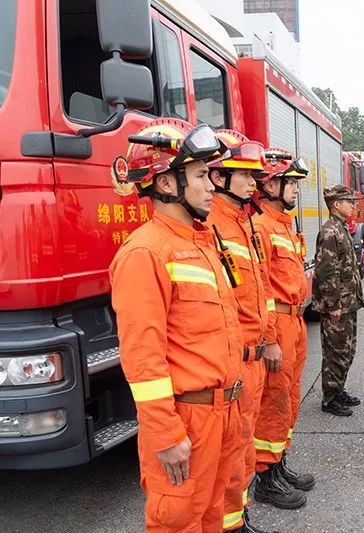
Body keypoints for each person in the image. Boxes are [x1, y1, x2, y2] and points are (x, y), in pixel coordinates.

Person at [109, 118, 246, 531]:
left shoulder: (201, 245)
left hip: (222, 414)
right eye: (202, 175)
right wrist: (167, 435)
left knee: (212, 519)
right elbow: (142, 357)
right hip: (187, 422)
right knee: (179, 522)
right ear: (166, 183)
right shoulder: (145, 253)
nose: (211, 186)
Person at [205, 130, 278, 533]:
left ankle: (240, 515)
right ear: (218, 178)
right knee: (231, 454)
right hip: (235, 360)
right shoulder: (214, 228)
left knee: (244, 447)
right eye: (244, 175)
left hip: (253, 353)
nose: (254, 183)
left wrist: (268, 338)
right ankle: (232, 523)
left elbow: (258, 289)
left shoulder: (243, 223)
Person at [251, 149, 314, 509]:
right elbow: (261, 290)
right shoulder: (261, 227)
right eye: (291, 183)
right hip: (279, 324)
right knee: (274, 399)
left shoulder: (282, 225)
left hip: (296, 319)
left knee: (289, 396)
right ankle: (266, 476)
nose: (295, 190)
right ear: (271, 183)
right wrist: (271, 338)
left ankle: (279, 463)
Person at [312, 184, 364, 417]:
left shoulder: (341, 228)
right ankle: (330, 398)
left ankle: (339, 389)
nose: (352, 205)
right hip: (338, 306)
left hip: (348, 302)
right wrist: (333, 304)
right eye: (348, 202)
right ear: (336, 205)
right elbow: (327, 271)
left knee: (347, 349)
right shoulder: (330, 232)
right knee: (335, 351)